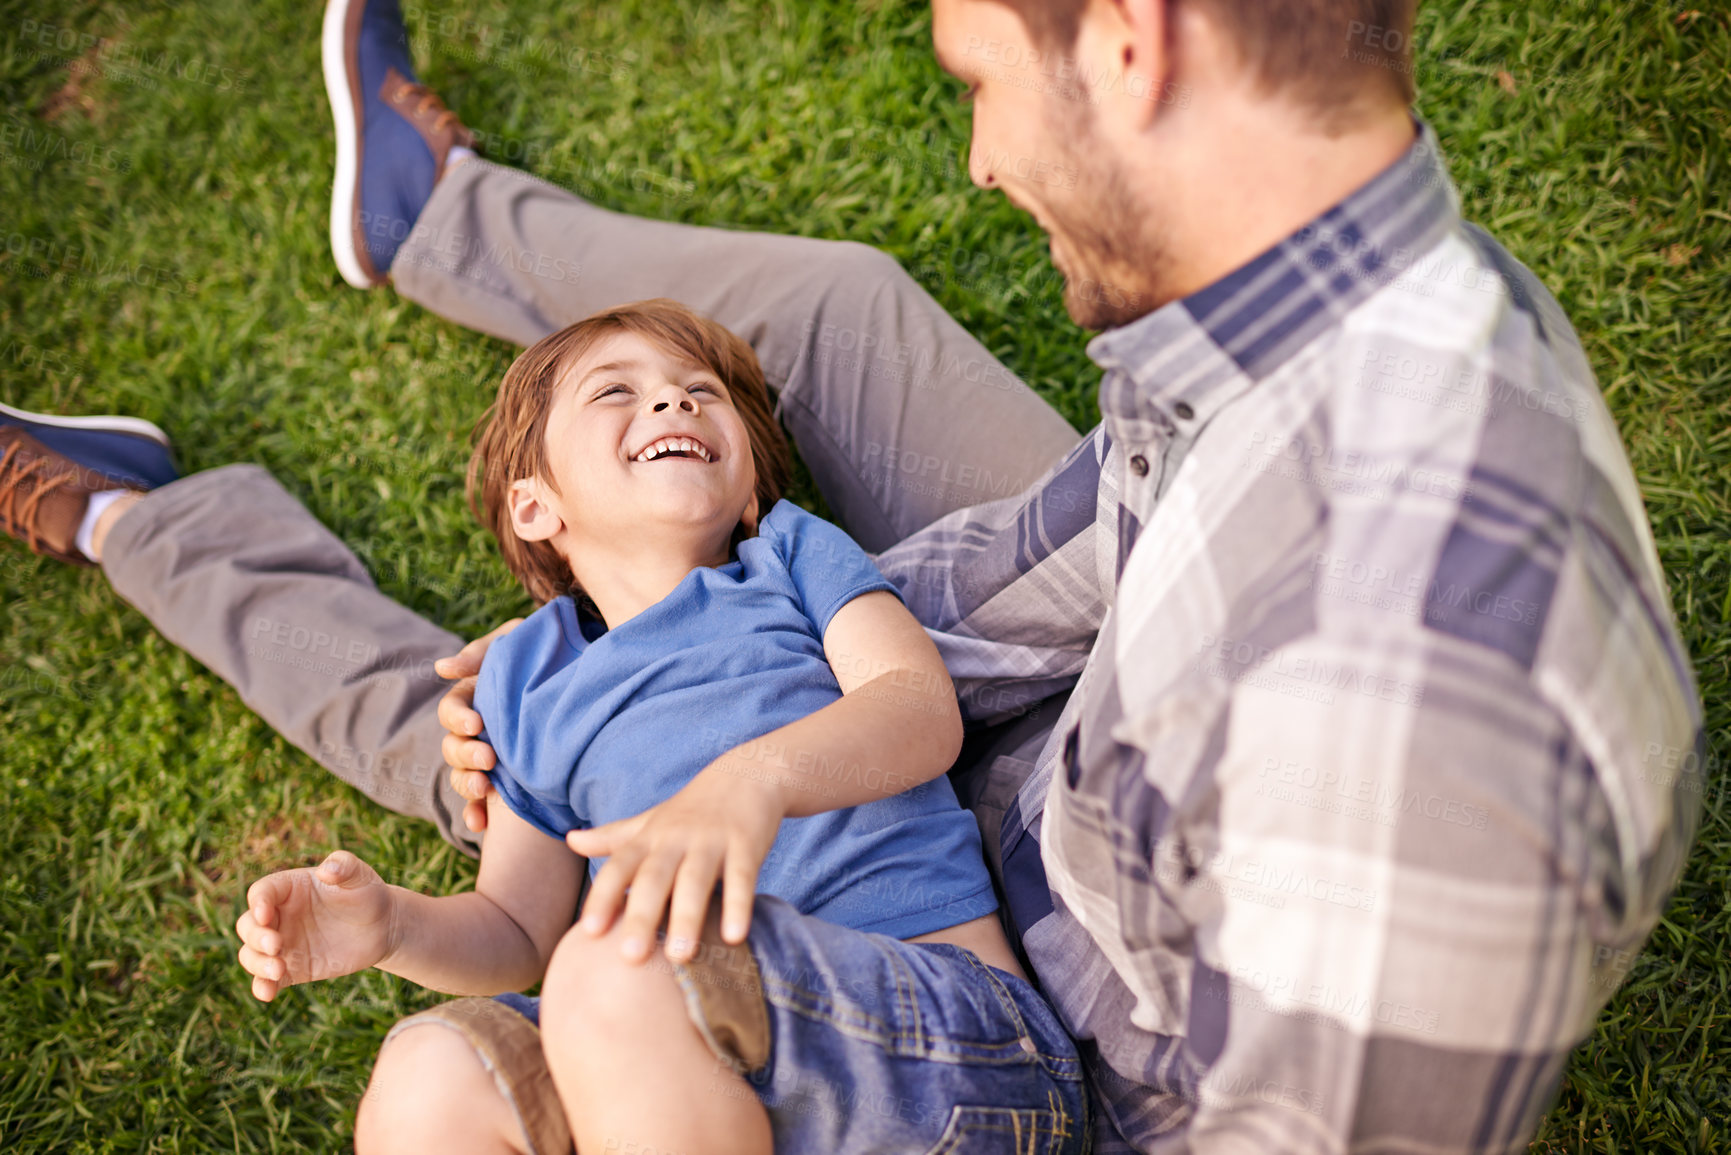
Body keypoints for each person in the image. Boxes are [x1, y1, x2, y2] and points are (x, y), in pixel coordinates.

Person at [0, 0, 1701, 1148]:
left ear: (1130, 43)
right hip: (976, 761)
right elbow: (1036, 566)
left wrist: (750, 734)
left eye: (974, 75)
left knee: (479, 784)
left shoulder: (1442, 737)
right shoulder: (1287, 333)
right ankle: (428, 216)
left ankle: (129, 527)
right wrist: (656, 654)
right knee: (790, 377)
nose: (978, 154)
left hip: (985, 1007)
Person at [233, 300, 1088, 1155]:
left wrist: (751, 781)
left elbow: (916, 705)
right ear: (535, 506)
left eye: (699, 391)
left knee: (617, 957)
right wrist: (393, 927)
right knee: (432, 1070)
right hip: (682, 1077)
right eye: (615, 391)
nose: (675, 403)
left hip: (957, 1047)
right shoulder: (525, 683)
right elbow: (516, 926)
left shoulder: (787, 557)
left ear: (749, 490)